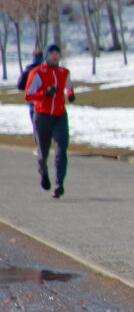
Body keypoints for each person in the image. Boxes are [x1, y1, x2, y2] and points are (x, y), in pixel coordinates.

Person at [23, 44, 74, 198]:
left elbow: (69, 86)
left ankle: (59, 184)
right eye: (51, 53)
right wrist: (44, 93)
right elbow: (28, 95)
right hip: (42, 116)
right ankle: (43, 172)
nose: (55, 56)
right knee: (43, 152)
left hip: (59, 116)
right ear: (46, 55)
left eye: (57, 53)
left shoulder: (64, 72)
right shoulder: (37, 72)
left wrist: (70, 94)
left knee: (61, 150)